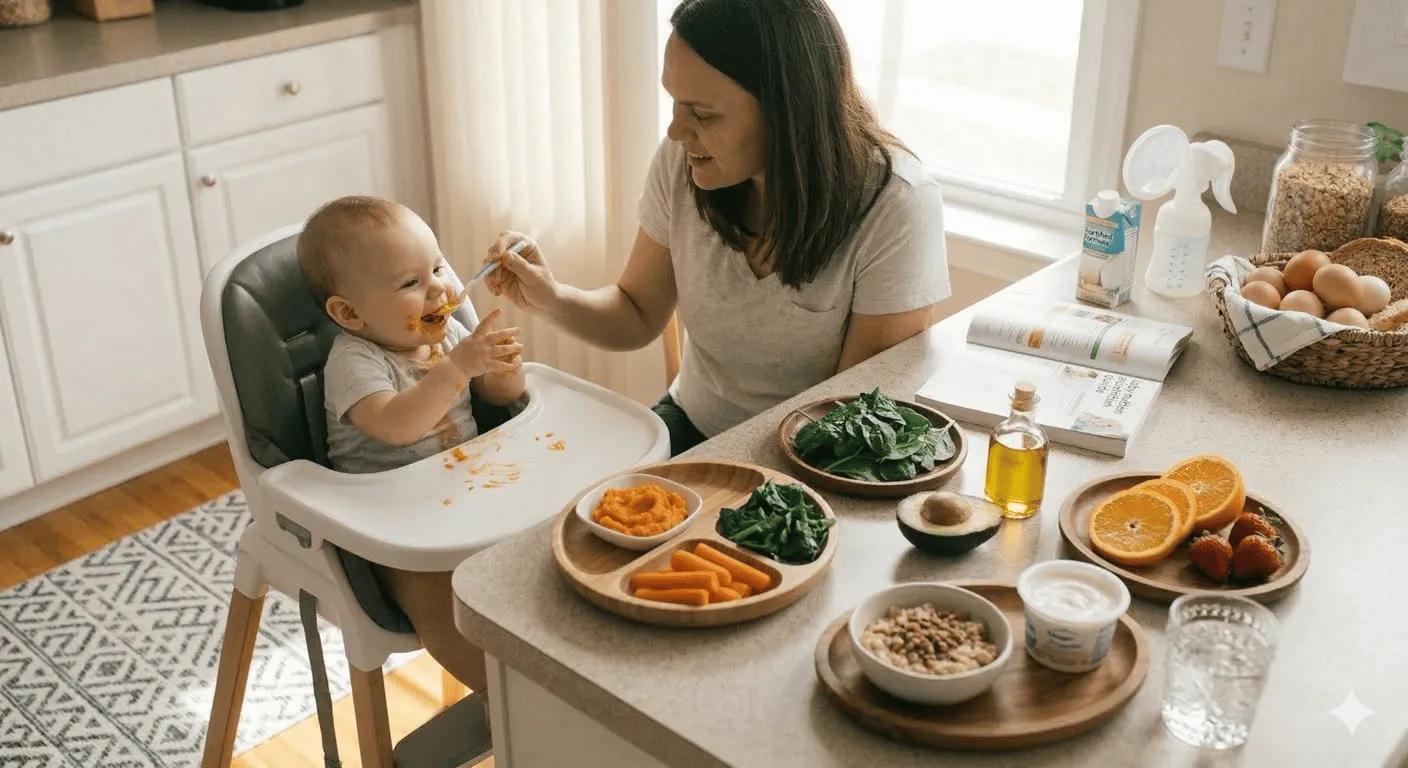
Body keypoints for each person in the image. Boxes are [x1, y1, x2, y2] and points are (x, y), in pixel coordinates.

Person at [483, 0, 950, 455]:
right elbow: (636, 313)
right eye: (675, 103)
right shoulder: (683, 161)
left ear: (788, 110)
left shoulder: (897, 206)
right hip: (692, 424)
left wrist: (737, 484)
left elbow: (855, 420)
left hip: (813, 456)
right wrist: (552, 298)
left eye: (702, 114)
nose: (676, 131)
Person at [297, 196, 524, 690]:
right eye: (410, 283)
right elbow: (396, 425)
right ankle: (504, 698)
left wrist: (504, 369)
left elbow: (498, 398)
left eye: (438, 267)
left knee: (530, 566)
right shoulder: (354, 361)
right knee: (439, 606)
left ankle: (540, 676)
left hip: (464, 496)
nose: (439, 287)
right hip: (391, 529)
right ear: (349, 313)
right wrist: (458, 367)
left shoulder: (448, 335)